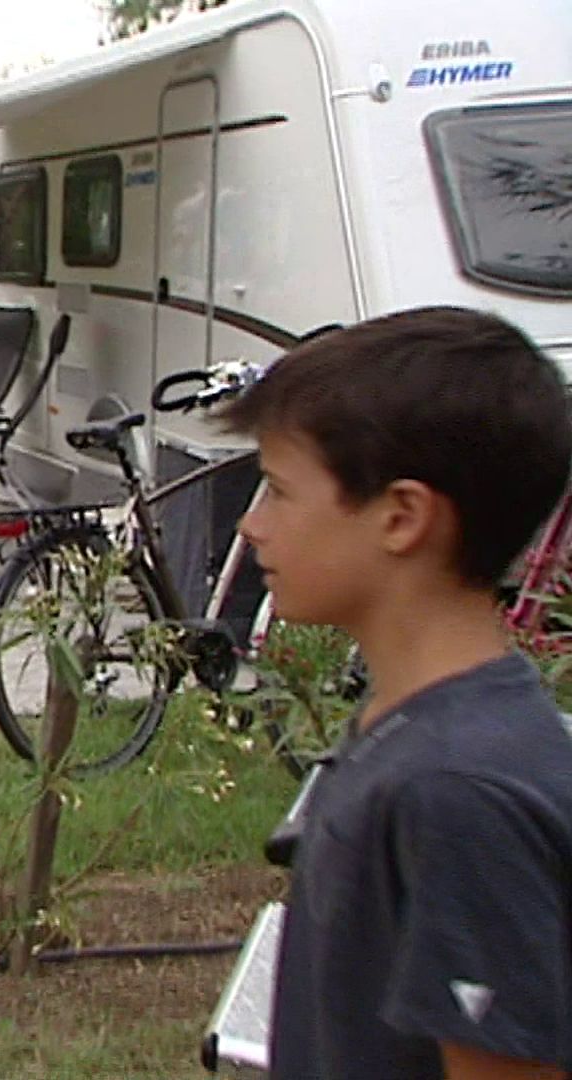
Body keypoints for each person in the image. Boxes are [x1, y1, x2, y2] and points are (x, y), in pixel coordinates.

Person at [222, 308, 572, 1080]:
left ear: (402, 516)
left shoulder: (458, 791)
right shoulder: (412, 723)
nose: (250, 525)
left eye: (278, 491)